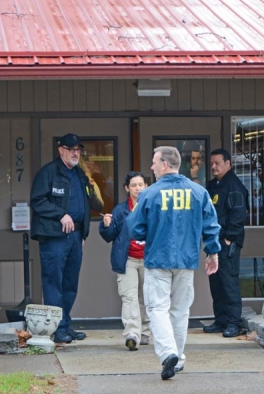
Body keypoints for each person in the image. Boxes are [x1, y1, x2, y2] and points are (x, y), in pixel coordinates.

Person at [126, 146, 221, 380]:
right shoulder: (199, 192)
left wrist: (148, 232)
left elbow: (134, 228)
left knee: (157, 308)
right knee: (180, 311)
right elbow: (211, 225)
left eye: (154, 162)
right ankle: (177, 357)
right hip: (186, 260)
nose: (151, 167)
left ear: (165, 165)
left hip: (158, 259)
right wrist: (212, 253)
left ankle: (169, 354)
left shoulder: (149, 194)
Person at [30, 133, 103, 344]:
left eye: (78, 150)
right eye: (71, 149)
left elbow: (90, 204)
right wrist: (60, 214)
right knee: (54, 282)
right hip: (54, 237)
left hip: (76, 236)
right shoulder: (48, 173)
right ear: (60, 150)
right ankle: (57, 328)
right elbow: (38, 201)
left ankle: (66, 324)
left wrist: (83, 233)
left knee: (70, 283)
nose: (75, 153)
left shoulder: (80, 174)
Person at [99, 171, 151, 351]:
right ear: (127, 188)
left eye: (141, 184)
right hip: (127, 259)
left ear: (146, 187)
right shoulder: (120, 210)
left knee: (146, 298)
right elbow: (109, 235)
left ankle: (145, 332)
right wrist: (105, 225)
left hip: (149, 260)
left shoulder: (152, 206)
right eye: (134, 185)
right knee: (129, 297)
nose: (138, 188)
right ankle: (132, 335)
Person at [204, 148, 248, 338]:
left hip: (227, 243)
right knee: (216, 283)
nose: (214, 166)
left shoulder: (234, 186)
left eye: (218, 163)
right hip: (214, 242)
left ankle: (233, 323)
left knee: (229, 282)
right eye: (212, 163)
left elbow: (239, 215)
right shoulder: (213, 185)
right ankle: (221, 320)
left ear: (228, 164)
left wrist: (229, 237)